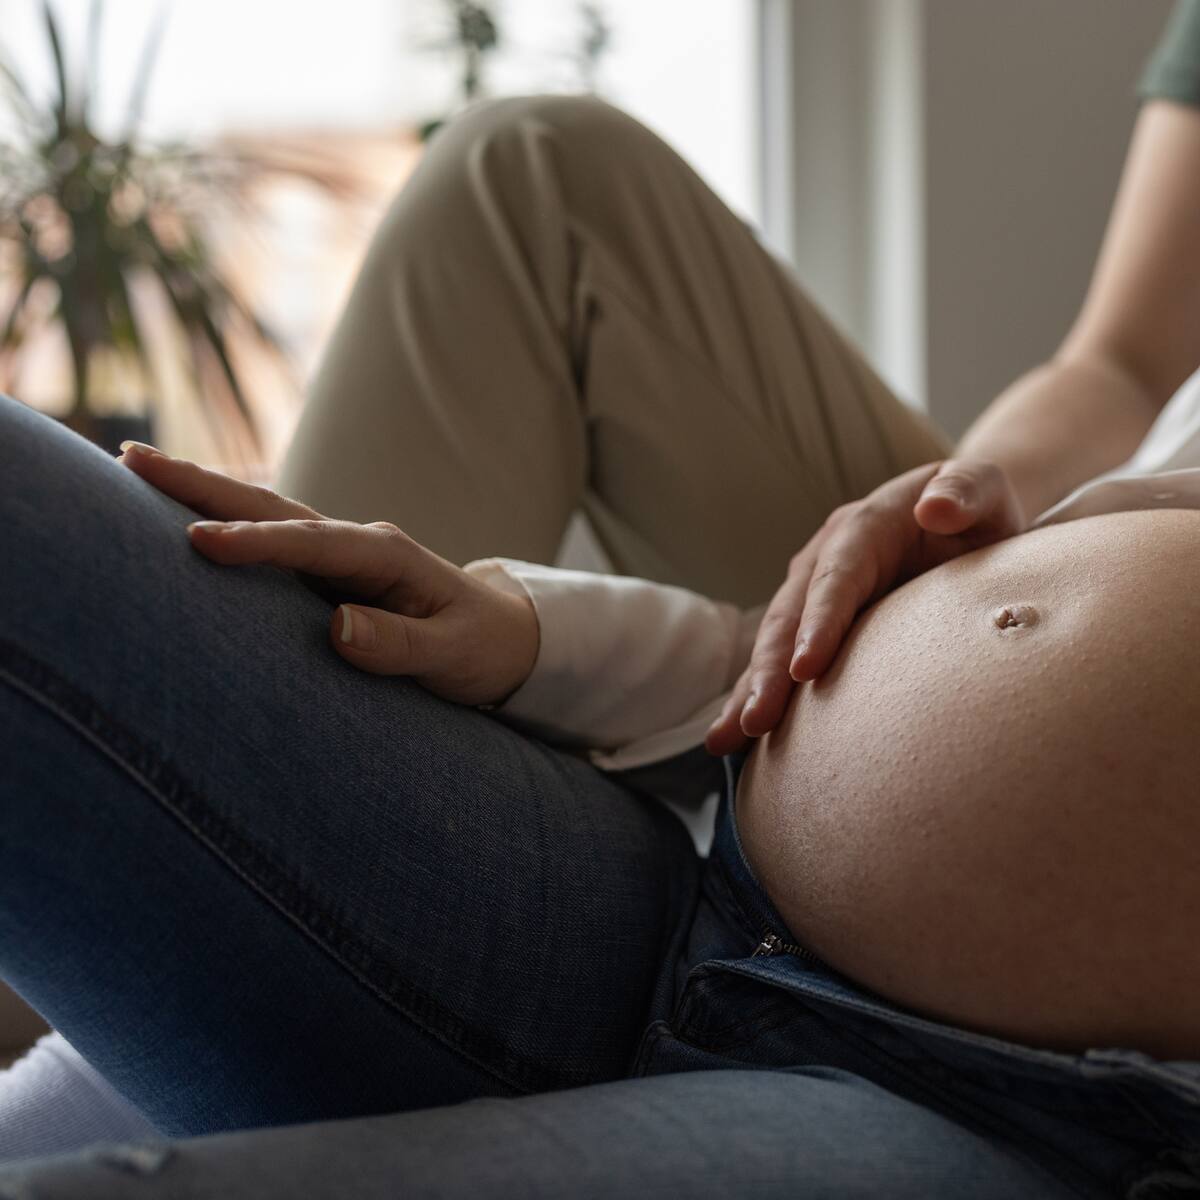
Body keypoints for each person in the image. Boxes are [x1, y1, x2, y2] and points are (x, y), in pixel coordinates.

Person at [3, 4, 1200, 1196]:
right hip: (695, 875)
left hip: (1047, 1120)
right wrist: (532, 633)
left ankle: (136, 1030)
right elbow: (1126, 360)